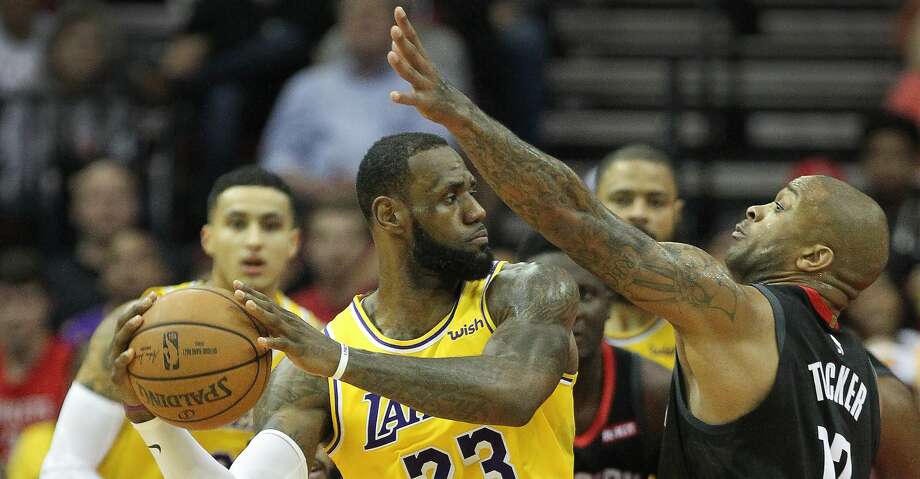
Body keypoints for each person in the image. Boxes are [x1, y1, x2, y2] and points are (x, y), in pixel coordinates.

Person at [385, 7, 919, 477]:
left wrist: (462, 116)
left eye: (781, 207)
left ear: (814, 257)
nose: (755, 207)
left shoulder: (738, 314)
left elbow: (570, 211)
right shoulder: (879, 387)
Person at [109, 132, 578, 478]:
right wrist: (146, 413)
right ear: (389, 215)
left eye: (472, 192)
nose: (476, 210)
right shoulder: (308, 374)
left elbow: (512, 395)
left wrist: (342, 363)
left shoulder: (525, 291)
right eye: (450, 197)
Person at [36, 167, 321, 479]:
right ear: (208, 238)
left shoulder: (315, 346)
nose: (253, 241)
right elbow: (65, 464)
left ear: (293, 242)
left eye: (270, 225)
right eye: (237, 224)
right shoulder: (136, 323)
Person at [259, 0, 452, 200]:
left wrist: (365, 187)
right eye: (354, 14)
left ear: (398, 27)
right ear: (340, 24)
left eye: (373, 14)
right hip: (319, 207)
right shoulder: (306, 87)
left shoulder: (423, 87)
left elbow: (435, 159)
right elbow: (276, 159)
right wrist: (320, 190)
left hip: (399, 205)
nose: (364, 22)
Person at [518, 232, 670, 478]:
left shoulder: (654, 390)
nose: (570, 313)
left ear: (609, 304)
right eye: (550, 296)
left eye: (585, 295)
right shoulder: (500, 388)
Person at [594, 144, 683, 369]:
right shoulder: (560, 313)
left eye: (656, 202)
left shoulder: (703, 322)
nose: (639, 214)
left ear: (677, 213)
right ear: (592, 207)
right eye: (622, 199)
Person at [0, 248, 75, 467]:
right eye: (5, 301)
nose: (14, 316)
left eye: (25, 301)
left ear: (48, 303)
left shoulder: (72, 362)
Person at [60, 228, 174, 349]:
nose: (129, 268)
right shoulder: (77, 332)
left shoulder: (180, 317)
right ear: (102, 273)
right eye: (116, 260)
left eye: (141, 259)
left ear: (161, 269)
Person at [290, 195, 377, 324]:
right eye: (322, 237)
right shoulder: (293, 310)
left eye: (348, 238)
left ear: (370, 246)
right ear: (303, 243)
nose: (335, 250)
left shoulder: (387, 310)